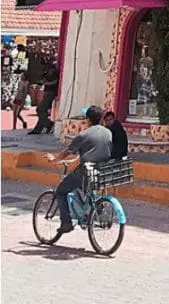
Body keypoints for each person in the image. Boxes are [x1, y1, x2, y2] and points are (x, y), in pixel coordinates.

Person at [46, 105, 112, 235]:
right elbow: (95, 150)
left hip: (85, 172)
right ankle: (95, 210)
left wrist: (54, 160)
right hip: (102, 170)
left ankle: (66, 223)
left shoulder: (83, 135)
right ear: (101, 119)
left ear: (88, 119)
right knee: (85, 187)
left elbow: (67, 152)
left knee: (61, 191)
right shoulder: (108, 133)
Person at [29, 64, 59, 135]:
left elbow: (55, 81)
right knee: (42, 111)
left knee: (41, 109)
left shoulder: (53, 71)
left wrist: (45, 83)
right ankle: (39, 128)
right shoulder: (46, 71)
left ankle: (48, 124)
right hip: (47, 92)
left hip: (50, 93)